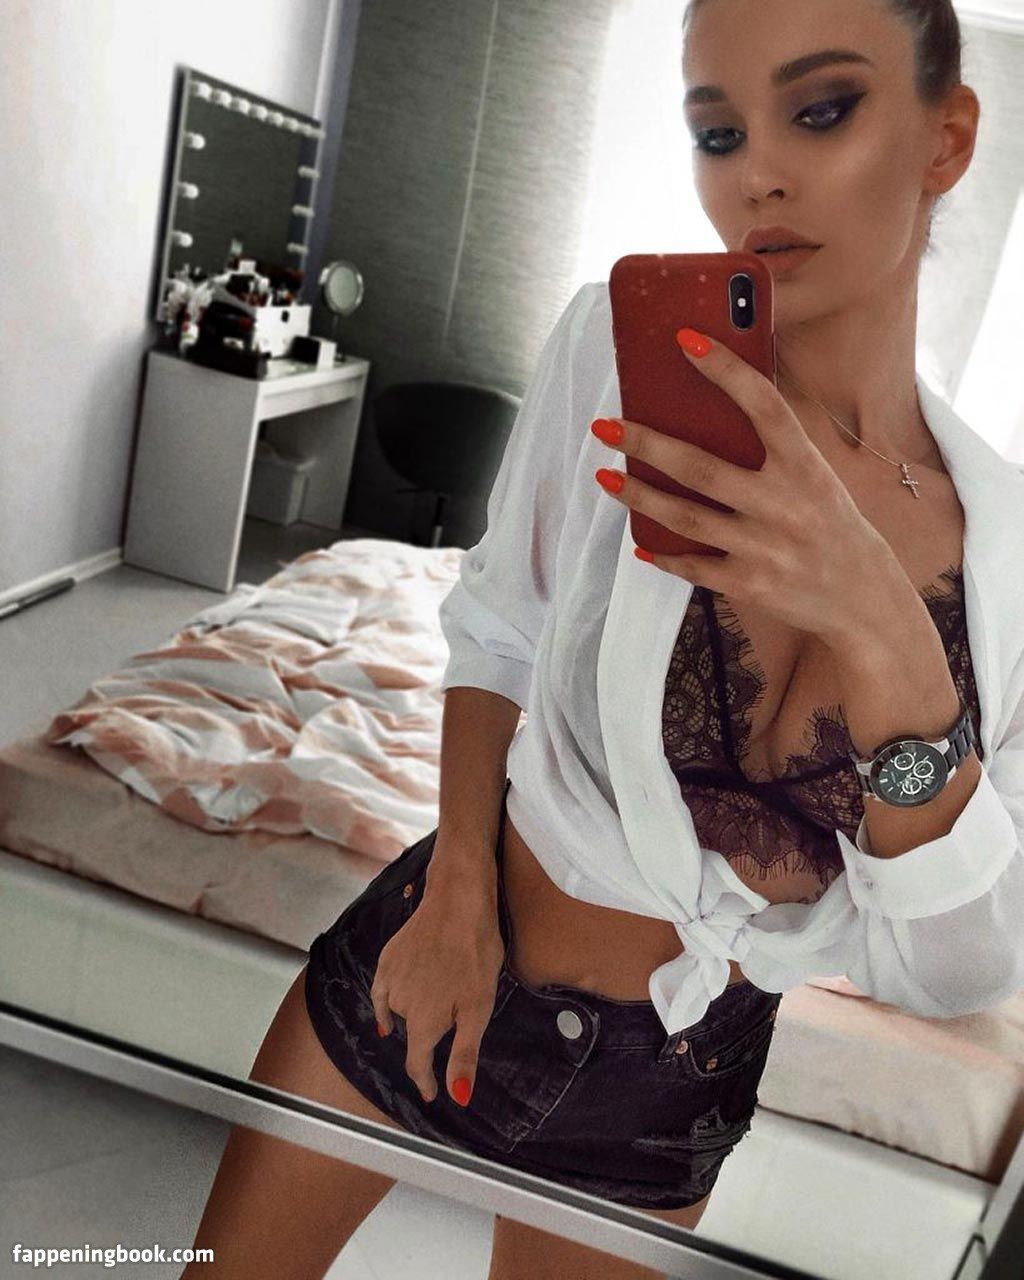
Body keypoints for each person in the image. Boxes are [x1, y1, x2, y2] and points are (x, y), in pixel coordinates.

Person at [181, 1, 986, 1276]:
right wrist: (456, 888)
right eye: (716, 131)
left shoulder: (999, 548)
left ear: (946, 139)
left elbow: (950, 963)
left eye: (820, 109)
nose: (757, 174)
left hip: (665, 1094)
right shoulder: (615, 354)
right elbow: (498, 621)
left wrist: (884, 624)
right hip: (442, 946)